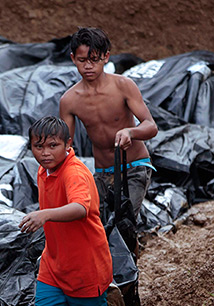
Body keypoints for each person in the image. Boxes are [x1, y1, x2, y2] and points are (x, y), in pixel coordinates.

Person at [19, 116, 113, 306]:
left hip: (86, 267)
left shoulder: (74, 172)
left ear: (68, 145)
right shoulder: (42, 171)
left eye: (52, 145)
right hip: (53, 264)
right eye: (38, 146)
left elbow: (80, 208)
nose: (45, 152)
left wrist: (44, 214)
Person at [60, 26, 158, 222]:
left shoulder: (123, 86)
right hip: (103, 172)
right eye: (82, 61)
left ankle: (129, 249)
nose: (88, 66)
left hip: (134, 166)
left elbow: (151, 126)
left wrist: (130, 132)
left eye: (94, 60)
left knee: (124, 221)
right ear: (73, 59)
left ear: (106, 57)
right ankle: (130, 250)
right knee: (99, 224)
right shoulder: (69, 100)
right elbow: (65, 146)